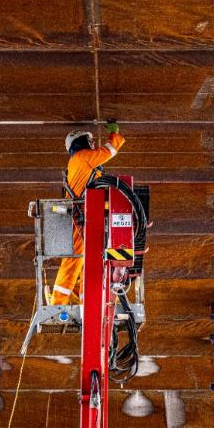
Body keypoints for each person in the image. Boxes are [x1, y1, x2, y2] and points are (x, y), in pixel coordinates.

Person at [48, 122, 125, 305]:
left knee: (84, 261)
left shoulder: (80, 163)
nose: (92, 144)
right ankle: (57, 303)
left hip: (85, 218)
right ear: (79, 143)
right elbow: (109, 151)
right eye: (89, 141)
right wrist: (114, 135)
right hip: (81, 219)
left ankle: (86, 303)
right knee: (74, 260)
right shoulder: (83, 158)